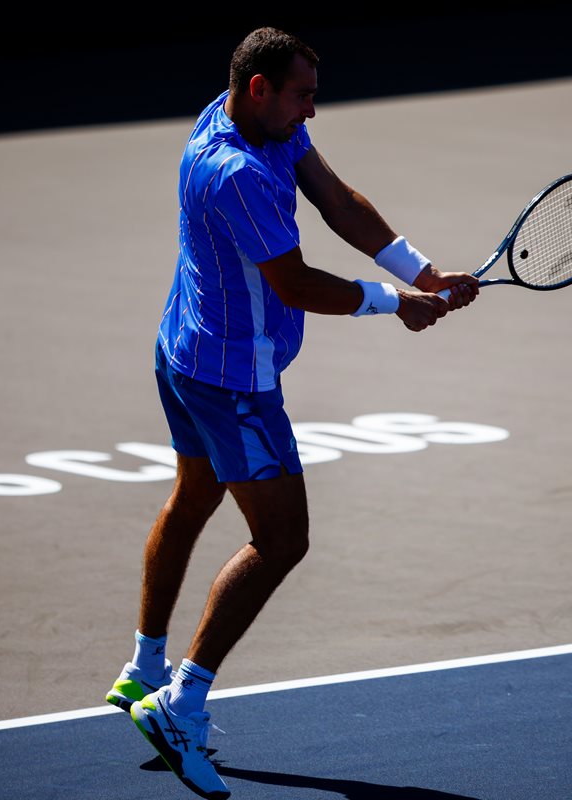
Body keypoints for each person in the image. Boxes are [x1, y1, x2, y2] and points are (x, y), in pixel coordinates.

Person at [106, 27, 478, 799]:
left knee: (195, 497)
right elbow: (295, 284)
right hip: (233, 382)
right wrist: (394, 304)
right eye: (302, 95)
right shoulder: (237, 173)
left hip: (184, 351)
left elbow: (337, 200)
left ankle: (143, 666)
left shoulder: (253, 121)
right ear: (259, 88)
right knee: (281, 540)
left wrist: (421, 271)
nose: (312, 110)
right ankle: (181, 703)